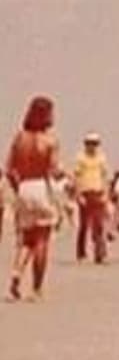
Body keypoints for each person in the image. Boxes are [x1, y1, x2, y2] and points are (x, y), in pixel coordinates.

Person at [5, 96, 62, 301]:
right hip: (40, 186)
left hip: (24, 187)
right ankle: (36, 289)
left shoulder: (19, 138)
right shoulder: (49, 140)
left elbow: (9, 169)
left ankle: (16, 274)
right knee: (42, 240)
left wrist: (17, 188)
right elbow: (53, 170)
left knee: (26, 240)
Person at [73, 132, 109, 263]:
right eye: (90, 143)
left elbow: (105, 176)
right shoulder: (81, 158)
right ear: (86, 144)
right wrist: (78, 195)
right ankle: (81, 252)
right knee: (84, 225)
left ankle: (99, 253)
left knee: (99, 225)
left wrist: (106, 193)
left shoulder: (101, 158)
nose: (92, 146)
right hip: (85, 193)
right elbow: (76, 177)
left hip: (98, 192)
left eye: (95, 144)